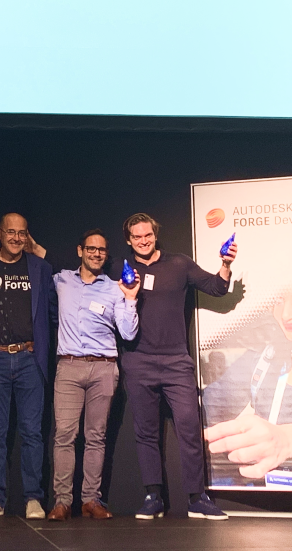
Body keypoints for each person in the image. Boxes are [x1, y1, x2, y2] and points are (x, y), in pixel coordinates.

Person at [114, 213, 237, 520]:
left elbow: (216, 287)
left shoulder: (179, 264)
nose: (143, 241)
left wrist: (225, 264)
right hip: (138, 361)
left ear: (155, 235)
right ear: (129, 240)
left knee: (189, 428)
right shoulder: (120, 269)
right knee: (146, 433)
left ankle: (197, 498)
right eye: (137, 237)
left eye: (148, 235)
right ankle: (153, 497)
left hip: (176, 362)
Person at [0, 213, 56, 520]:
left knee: (32, 433)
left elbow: (53, 310)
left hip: (30, 359)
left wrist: (38, 250)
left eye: (22, 233)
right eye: (11, 232)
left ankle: (33, 498)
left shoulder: (41, 268)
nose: (16, 238)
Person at [47, 229, 139, 521]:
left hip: (103, 367)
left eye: (101, 250)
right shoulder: (61, 280)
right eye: (91, 248)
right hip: (69, 366)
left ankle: (90, 500)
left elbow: (128, 333)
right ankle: (62, 502)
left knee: (96, 437)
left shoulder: (114, 289)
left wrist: (131, 299)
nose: (96, 254)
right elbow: (35, 255)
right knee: (64, 436)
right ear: (80, 251)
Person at [204, 291, 292, 482]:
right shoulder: (262, 359)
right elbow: (210, 403)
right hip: (262, 489)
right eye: (278, 299)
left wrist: (287, 440)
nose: (286, 314)